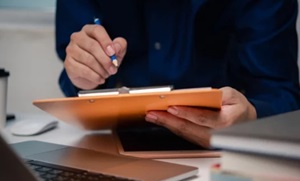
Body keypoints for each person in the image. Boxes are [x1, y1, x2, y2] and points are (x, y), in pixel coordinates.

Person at [55, 0, 300, 148]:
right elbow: (76, 74)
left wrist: (250, 116)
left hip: (225, 159)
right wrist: (83, 75)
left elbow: (281, 93)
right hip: (106, 148)